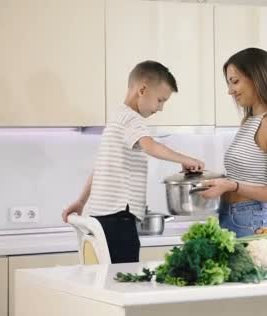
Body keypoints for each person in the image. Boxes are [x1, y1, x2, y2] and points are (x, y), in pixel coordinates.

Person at [62, 61, 204, 263]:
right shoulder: (131, 119)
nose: (161, 108)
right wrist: (185, 159)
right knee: (123, 282)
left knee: (106, 283)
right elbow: (150, 146)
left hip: (101, 217)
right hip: (119, 218)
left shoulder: (116, 117)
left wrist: (81, 201)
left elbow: (99, 169)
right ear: (143, 90)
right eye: (160, 100)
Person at [199, 48, 267, 238]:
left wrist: (232, 186)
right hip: (228, 214)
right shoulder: (250, 121)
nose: (230, 91)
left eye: (235, 81)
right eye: (228, 83)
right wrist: (211, 179)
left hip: (250, 219)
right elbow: (243, 176)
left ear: (257, 78)